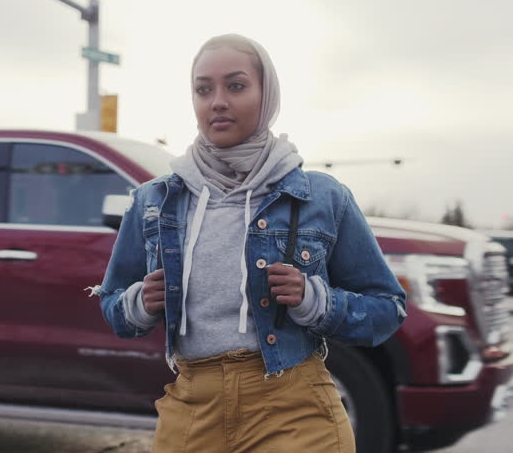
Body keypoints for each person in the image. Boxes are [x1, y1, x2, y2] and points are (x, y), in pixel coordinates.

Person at [95, 34, 407, 452]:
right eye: (204, 89)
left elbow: (387, 307)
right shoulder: (154, 201)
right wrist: (137, 303)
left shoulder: (322, 197)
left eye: (236, 86)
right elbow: (114, 305)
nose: (217, 101)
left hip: (293, 407)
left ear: (267, 95)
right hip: (194, 408)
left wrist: (315, 301)